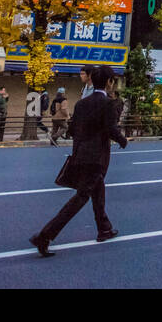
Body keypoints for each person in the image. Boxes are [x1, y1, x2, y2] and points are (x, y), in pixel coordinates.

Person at [30, 65, 128, 255]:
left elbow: (72, 130)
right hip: (96, 156)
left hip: (80, 152)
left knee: (98, 191)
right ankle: (45, 236)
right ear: (109, 82)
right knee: (82, 196)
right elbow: (111, 128)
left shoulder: (81, 103)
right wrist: (123, 140)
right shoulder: (108, 103)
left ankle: (104, 228)